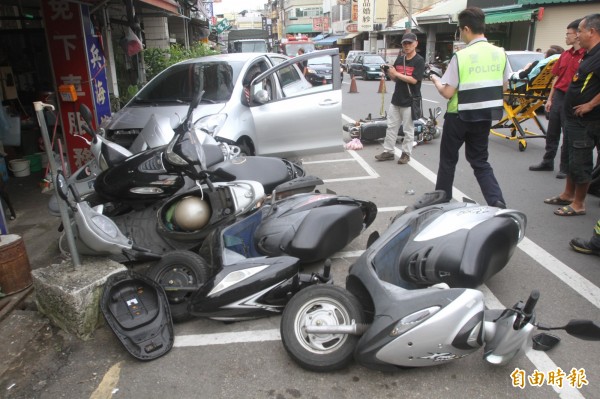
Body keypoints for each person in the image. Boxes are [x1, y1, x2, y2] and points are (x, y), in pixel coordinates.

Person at [430, 7, 508, 208]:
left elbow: (447, 93)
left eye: (459, 30)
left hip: (458, 116)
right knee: (480, 162)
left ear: (466, 29)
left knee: (448, 161)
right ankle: (496, 201)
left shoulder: (462, 56)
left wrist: (436, 80)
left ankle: (442, 201)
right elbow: (504, 86)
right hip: (484, 116)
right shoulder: (500, 53)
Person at [546, 14, 600, 217]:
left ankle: (579, 203)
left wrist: (590, 104)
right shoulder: (588, 53)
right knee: (570, 157)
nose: (578, 36)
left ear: (592, 32)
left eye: (581, 31)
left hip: (587, 119)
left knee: (581, 160)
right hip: (573, 117)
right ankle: (568, 194)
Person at [530, 19, 585, 179]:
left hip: (574, 96)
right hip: (559, 95)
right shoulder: (565, 55)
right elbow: (556, 78)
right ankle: (547, 161)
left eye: (568, 34)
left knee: (567, 132)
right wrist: (549, 99)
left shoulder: (586, 56)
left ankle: (564, 167)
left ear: (577, 35)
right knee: (552, 130)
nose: (566, 37)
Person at [375, 32, 424, 165]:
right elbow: (395, 79)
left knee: (408, 129)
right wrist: (389, 72)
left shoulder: (419, 61)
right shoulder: (399, 59)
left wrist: (396, 73)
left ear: (416, 43)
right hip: (396, 99)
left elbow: (414, 80)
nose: (407, 46)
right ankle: (388, 152)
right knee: (391, 127)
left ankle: (406, 154)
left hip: (410, 100)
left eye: (409, 43)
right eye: (405, 43)